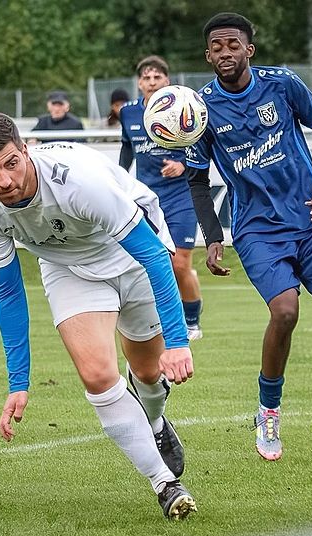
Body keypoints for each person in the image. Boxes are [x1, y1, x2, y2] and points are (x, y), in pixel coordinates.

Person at [0, 111, 196, 520]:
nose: (4, 181)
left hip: (132, 255)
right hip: (69, 269)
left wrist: (178, 342)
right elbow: (7, 290)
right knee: (96, 374)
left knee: (146, 372)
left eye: (11, 163)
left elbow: (156, 258)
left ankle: (156, 423)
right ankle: (165, 483)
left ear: (25, 151)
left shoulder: (79, 183)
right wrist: (18, 381)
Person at [186, 12, 312, 464]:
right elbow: (197, 180)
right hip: (257, 229)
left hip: (307, 218)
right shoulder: (201, 111)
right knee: (285, 312)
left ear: (249, 49)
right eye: (217, 47)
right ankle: (268, 411)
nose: (226, 52)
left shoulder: (282, 84)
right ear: (208, 56)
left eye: (233, 44)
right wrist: (213, 236)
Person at [120, 56, 204, 341]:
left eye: (157, 77)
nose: (152, 82)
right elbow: (126, 149)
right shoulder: (129, 113)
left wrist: (183, 165)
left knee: (180, 264)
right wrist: (119, 180)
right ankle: (162, 320)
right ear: (139, 83)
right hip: (146, 197)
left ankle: (192, 323)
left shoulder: (183, 106)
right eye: (146, 78)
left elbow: (202, 149)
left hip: (181, 195)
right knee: (154, 261)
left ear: (167, 81)